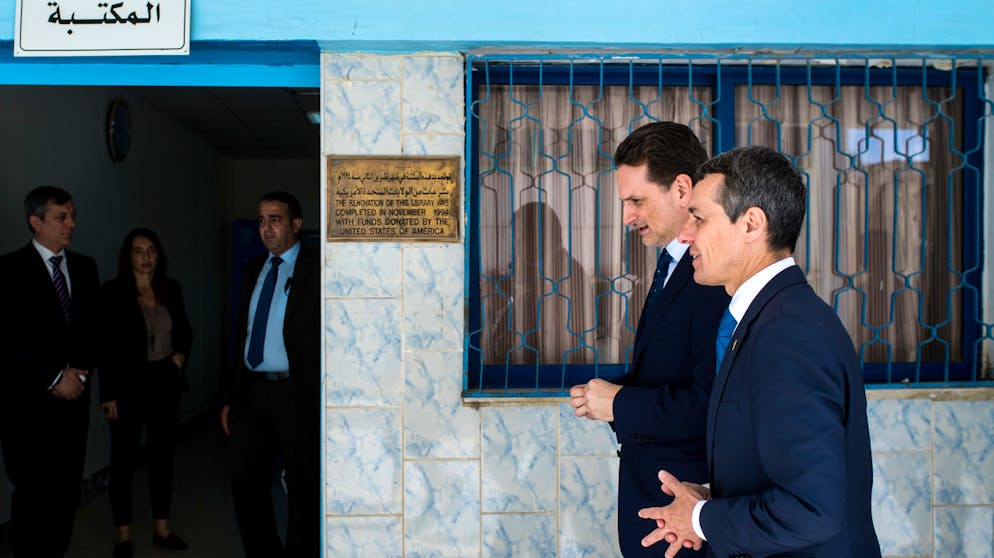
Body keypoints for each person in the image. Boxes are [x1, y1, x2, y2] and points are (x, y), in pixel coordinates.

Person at [638, 146, 881, 558]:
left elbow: (811, 509)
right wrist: (714, 499)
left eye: (699, 217)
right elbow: (782, 470)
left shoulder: (788, 332)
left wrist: (700, 519)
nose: (685, 234)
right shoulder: (769, 317)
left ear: (751, 223)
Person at [568, 122, 728, 556]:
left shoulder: (712, 275)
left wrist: (619, 403)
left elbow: (710, 402)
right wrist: (609, 392)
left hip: (685, 523)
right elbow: (669, 369)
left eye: (636, 200)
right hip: (659, 514)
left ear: (681, 190)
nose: (626, 217)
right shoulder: (672, 263)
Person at [0, 186, 100, 557]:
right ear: (35, 221)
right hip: (28, 408)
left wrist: (80, 375)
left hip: (74, 407)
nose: (71, 224)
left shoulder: (85, 267)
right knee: (32, 495)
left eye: (73, 215)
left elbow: (93, 330)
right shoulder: (7, 270)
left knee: (65, 493)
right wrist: (54, 377)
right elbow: (8, 342)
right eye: (62, 217)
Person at [221, 191, 320, 557]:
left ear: (296, 224)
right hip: (252, 393)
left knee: (301, 485)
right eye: (262, 220)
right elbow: (242, 335)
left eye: (275, 219)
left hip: (295, 393)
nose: (266, 228)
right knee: (245, 482)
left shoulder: (317, 268)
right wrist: (230, 397)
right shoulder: (253, 269)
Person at [99, 228, 193, 557]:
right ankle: (123, 535)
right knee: (122, 461)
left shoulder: (171, 289)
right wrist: (107, 394)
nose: (145, 257)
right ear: (128, 257)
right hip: (126, 387)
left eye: (151, 250)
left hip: (165, 383)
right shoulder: (112, 292)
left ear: (158, 255)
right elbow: (105, 347)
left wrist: (180, 356)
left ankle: (161, 530)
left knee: (162, 458)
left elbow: (185, 331)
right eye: (138, 251)